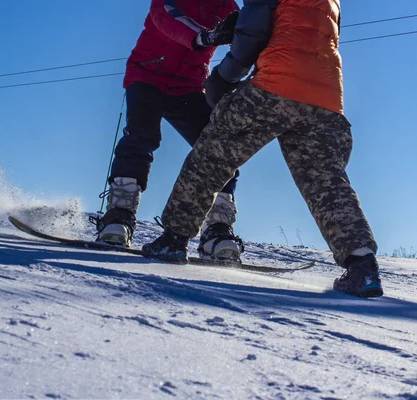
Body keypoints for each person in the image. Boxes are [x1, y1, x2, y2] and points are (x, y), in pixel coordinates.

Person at [141, 0, 384, 298]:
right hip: (328, 97)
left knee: (212, 155)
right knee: (326, 183)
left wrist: (221, 78)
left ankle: (174, 238)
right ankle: (362, 265)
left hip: (276, 85)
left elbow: (252, 34)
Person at [92, 0, 244, 262]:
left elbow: (249, 36)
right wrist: (203, 37)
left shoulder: (227, 5)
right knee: (142, 137)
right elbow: (166, 17)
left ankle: (217, 229)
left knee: (219, 148)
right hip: (148, 75)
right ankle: (119, 215)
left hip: (190, 86)